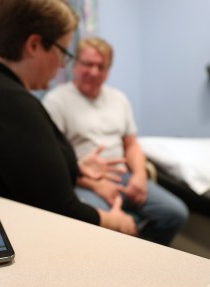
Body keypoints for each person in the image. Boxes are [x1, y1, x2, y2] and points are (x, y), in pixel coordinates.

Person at [0, 0, 137, 236]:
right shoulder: (7, 102)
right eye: (63, 52)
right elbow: (60, 208)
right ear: (34, 45)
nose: (62, 64)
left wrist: (75, 167)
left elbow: (28, 168)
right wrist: (117, 222)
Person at [43, 37, 189, 245]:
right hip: (83, 180)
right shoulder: (56, 101)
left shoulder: (118, 99)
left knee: (176, 213)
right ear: (75, 64)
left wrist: (139, 176)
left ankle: (144, 257)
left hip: (125, 177)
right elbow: (53, 161)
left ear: (108, 70)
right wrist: (95, 184)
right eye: (88, 64)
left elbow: (131, 145)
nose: (94, 72)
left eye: (101, 66)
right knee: (108, 228)